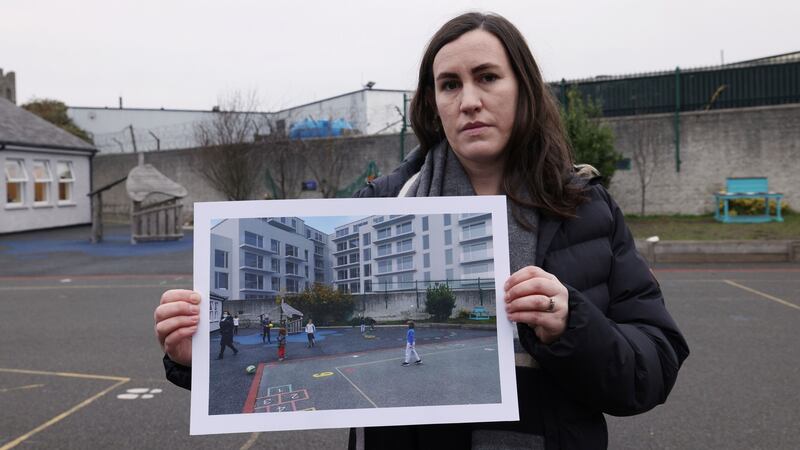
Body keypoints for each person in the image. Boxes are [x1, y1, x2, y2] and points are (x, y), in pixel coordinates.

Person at [154, 11, 688, 449]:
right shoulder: (384, 201)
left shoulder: (587, 210)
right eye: (449, 84)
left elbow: (651, 369)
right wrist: (192, 356)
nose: (469, 100)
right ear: (432, 102)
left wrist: (571, 322)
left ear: (523, 87)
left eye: (487, 77)